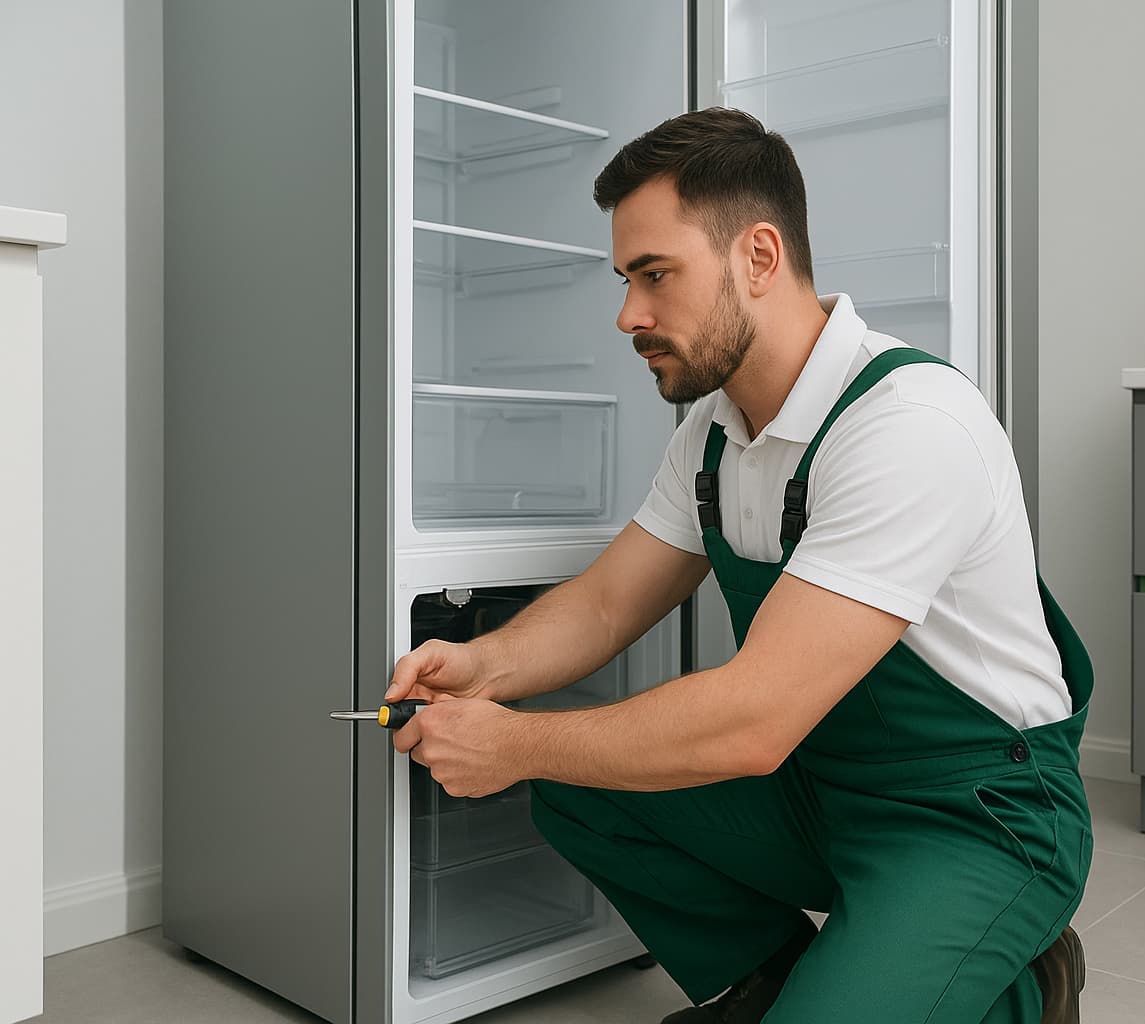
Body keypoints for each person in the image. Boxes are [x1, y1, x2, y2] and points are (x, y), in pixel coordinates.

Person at [385, 107, 1093, 1024]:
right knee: (576, 782)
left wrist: (510, 743)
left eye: (655, 275)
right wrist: (483, 666)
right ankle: (770, 983)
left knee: (552, 751)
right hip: (821, 786)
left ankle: (1023, 978)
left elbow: (755, 721)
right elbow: (605, 607)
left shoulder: (908, 425)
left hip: (976, 813)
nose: (628, 315)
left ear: (758, 256)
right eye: (625, 280)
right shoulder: (713, 437)